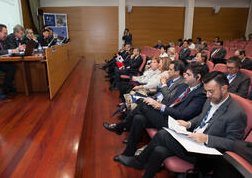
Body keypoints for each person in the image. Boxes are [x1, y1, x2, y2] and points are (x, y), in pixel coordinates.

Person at [117, 71, 247, 178]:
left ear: (224, 88)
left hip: (207, 155)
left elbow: (233, 143)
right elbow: (201, 118)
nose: (207, 95)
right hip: (194, 140)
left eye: (211, 91)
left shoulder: (236, 113)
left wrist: (207, 138)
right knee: (159, 150)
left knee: (163, 135)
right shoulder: (211, 99)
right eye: (206, 91)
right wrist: (189, 123)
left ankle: (139, 162)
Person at [104, 63, 207, 157]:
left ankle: (120, 127)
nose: (184, 76)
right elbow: (169, 100)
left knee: (142, 104)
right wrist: (159, 105)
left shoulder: (200, 95)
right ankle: (128, 152)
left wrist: (160, 106)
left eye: (188, 74)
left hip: (175, 123)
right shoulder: (184, 86)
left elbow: (183, 115)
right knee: (138, 118)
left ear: (198, 77)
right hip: (166, 115)